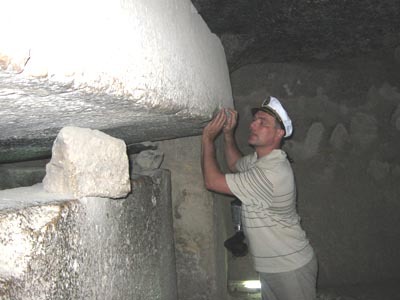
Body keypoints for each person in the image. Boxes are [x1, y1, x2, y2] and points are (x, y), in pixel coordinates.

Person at [201, 96, 318, 300]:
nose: (253, 124)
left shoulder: (271, 173)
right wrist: (228, 135)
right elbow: (235, 164)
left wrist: (207, 139)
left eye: (263, 122)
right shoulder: (262, 160)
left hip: (290, 268)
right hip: (273, 266)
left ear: (279, 133)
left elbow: (212, 181)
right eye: (255, 119)